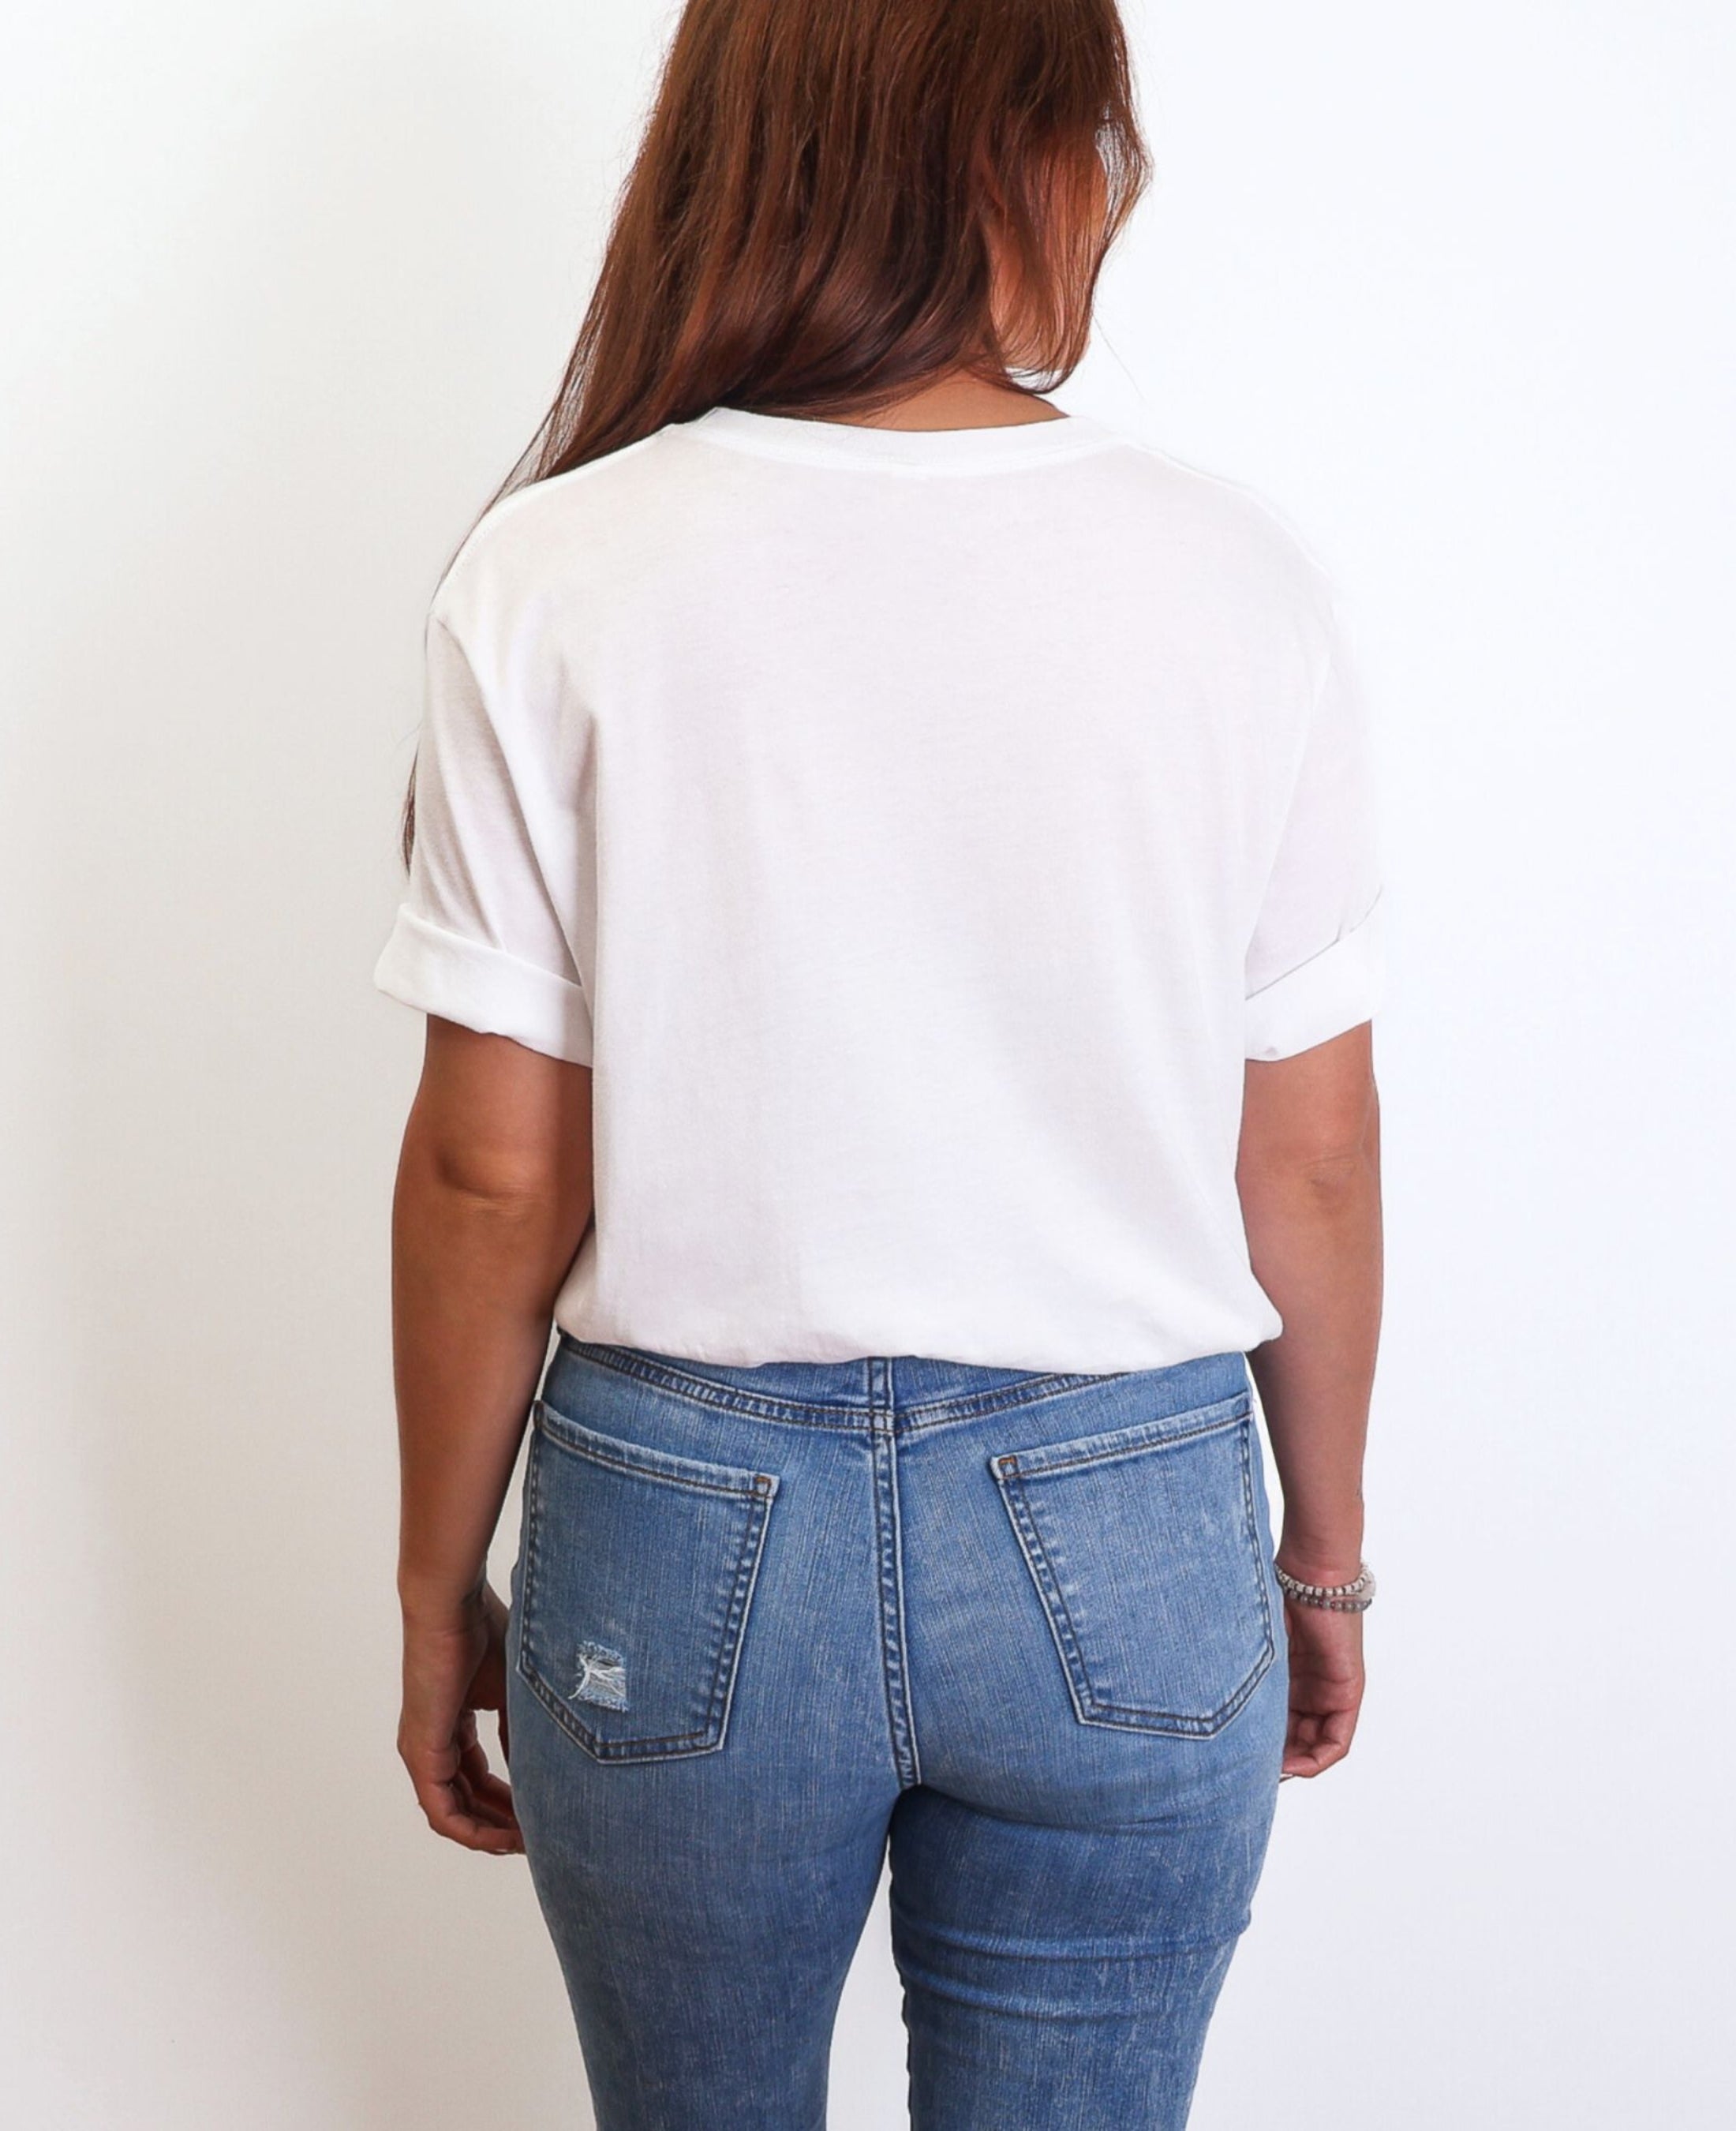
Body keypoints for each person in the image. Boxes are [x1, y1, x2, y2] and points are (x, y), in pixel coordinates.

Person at [372, 1, 1385, 2124]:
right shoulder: (1235, 579)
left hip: (683, 1523)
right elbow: (1305, 1156)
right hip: (1128, 1522)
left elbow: (493, 1169)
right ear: (1030, 155)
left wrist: (435, 1580)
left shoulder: (556, 572)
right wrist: (1321, 1552)